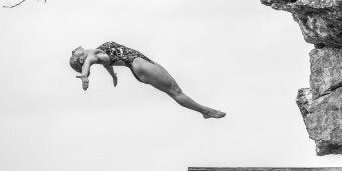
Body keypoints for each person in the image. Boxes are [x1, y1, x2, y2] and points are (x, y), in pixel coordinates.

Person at [69, 41, 226, 119]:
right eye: (73, 55)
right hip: (138, 64)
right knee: (175, 91)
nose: (72, 51)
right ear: (81, 60)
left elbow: (106, 63)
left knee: (175, 89)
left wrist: (113, 75)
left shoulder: (96, 53)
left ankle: (204, 111)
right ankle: (205, 111)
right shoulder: (90, 58)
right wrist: (84, 75)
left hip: (140, 62)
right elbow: (89, 63)